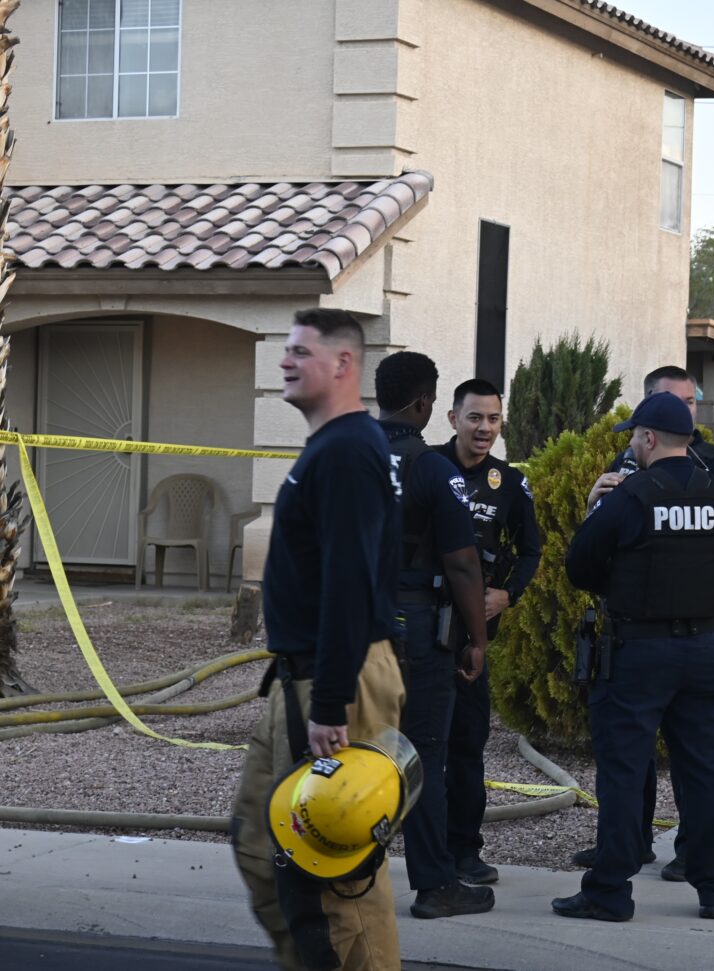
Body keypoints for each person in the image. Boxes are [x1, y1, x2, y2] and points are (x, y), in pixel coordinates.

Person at [231, 308, 406, 971]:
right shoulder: (334, 447)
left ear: (343, 364)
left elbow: (349, 585)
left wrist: (330, 703)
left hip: (338, 682)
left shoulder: (349, 452)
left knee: (337, 876)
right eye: (287, 349)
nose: (285, 360)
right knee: (262, 844)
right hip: (304, 677)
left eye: (301, 351)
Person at [552, 392, 714, 922]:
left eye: (635, 437)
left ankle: (609, 892)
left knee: (622, 771)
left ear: (650, 438)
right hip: (704, 649)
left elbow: (580, 567)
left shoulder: (631, 495)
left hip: (638, 652)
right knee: (702, 772)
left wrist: (594, 509)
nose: (633, 446)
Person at [375, 351, 495, 920]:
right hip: (416, 627)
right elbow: (464, 564)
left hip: (351, 625)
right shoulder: (432, 469)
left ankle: (342, 871)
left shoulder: (342, 455)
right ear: (425, 404)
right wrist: (478, 639)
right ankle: (435, 883)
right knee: (422, 754)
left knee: (352, 748)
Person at [434, 378, 541, 885]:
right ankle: (416, 846)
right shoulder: (426, 468)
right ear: (453, 418)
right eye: (475, 417)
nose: (484, 428)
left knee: (466, 745)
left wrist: (508, 594)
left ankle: (464, 851)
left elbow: (531, 551)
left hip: (470, 641)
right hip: (420, 634)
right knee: (412, 744)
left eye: (493, 419)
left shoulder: (511, 483)